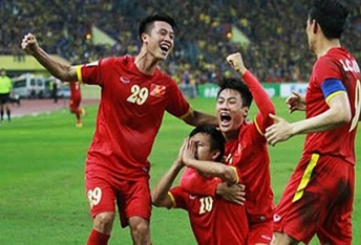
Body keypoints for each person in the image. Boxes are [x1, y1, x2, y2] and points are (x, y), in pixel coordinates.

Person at [21, 14, 217, 245]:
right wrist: (36, 51)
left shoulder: (166, 87)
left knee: (141, 229)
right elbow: (66, 72)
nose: (168, 39)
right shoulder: (111, 67)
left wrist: (227, 123)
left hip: (135, 174)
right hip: (102, 165)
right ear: (145, 37)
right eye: (162, 33)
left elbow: (191, 116)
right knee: (104, 218)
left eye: (172, 36)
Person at [264, 1, 361, 244]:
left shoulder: (326, 63)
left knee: (281, 236)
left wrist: (292, 128)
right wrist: (312, 103)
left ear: (314, 26)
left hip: (321, 162)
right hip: (345, 171)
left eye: (306, 25)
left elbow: (342, 112)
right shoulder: (350, 62)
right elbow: (360, 112)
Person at [181, 52, 276, 245]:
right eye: (221, 101)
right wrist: (215, 188)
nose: (225, 106)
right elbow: (187, 181)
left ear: (245, 111)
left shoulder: (252, 135)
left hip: (260, 224)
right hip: (233, 223)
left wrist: (242, 70)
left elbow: (268, 112)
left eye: (232, 102)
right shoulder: (212, 141)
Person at [152, 126, 249, 245]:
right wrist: (178, 163)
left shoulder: (227, 177)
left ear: (215, 154)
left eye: (198, 145)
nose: (191, 151)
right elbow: (157, 199)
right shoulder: (188, 189)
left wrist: (190, 162)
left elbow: (226, 172)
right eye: (189, 145)